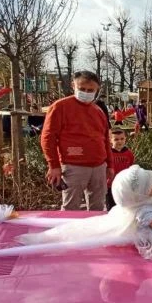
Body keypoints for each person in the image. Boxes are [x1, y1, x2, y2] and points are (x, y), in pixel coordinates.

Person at [19, 165, 152, 263]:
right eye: (149, 187)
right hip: (149, 233)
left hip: (149, 225)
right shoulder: (143, 209)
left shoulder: (140, 204)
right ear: (139, 195)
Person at [41, 70, 114, 211]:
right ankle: (67, 233)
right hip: (74, 165)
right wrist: (53, 165)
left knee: (98, 207)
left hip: (99, 166)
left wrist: (109, 164)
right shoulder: (60, 107)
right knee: (70, 207)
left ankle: (94, 232)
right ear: (73, 85)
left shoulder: (98, 111)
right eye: (82, 89)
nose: (86, 92)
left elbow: (105, 139)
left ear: (97, 90)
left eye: (90, 90)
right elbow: (48, 137)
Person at [106, 129, 135, 210]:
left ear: (125, 138)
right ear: (110, 140)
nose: (119, 141)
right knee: (111, 208)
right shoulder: (108, 153)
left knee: (125, 207)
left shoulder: (129, 153)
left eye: (122, 139)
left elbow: (131, 167)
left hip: (124, 185)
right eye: (116, 139)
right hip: (110, 185)